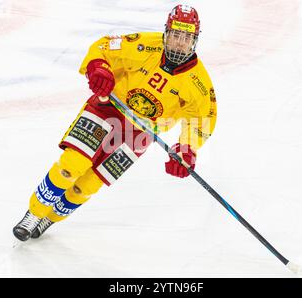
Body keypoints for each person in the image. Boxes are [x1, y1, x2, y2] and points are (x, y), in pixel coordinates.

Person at [13, 4, 217, 241]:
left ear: (195, 40)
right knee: (72, 164)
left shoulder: (199, 83)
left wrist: (187, 147)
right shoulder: (143, 44)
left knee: (88, 185)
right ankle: (34, 214)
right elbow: (103, 47)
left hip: (140, 134)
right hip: (108, 108)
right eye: (175, 35)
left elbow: (202, 118)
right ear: (166, 32)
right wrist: (98, 67)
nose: (179, 43)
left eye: (186, 37)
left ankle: (50, 218)